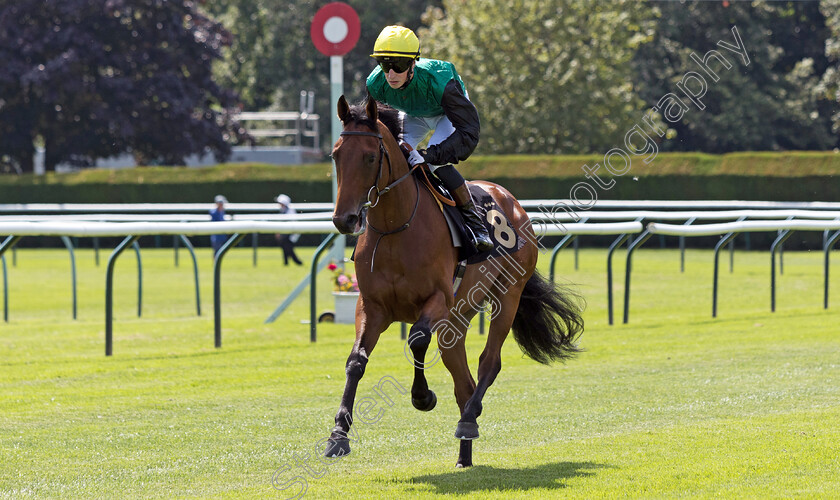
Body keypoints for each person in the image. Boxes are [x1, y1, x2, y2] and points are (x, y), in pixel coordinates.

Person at [366, 25, 493, 252]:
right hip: (414, 115)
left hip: (448, 113)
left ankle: (476, 223)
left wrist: (428, 155)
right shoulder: (375, 84)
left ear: (413, 63)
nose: (391, 74)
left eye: (399, 65)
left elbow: (469, 133)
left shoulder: (441, 81)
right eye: (384, 65)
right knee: (394, 158)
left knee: (434, 163)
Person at [275, 193, 303, 266]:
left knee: (288, 247)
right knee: (285, 246)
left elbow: (292, 223)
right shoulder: (283, 210)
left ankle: (296, 262)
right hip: (285, 232)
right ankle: (287, 262)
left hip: (291, 232)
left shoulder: (290, 211)